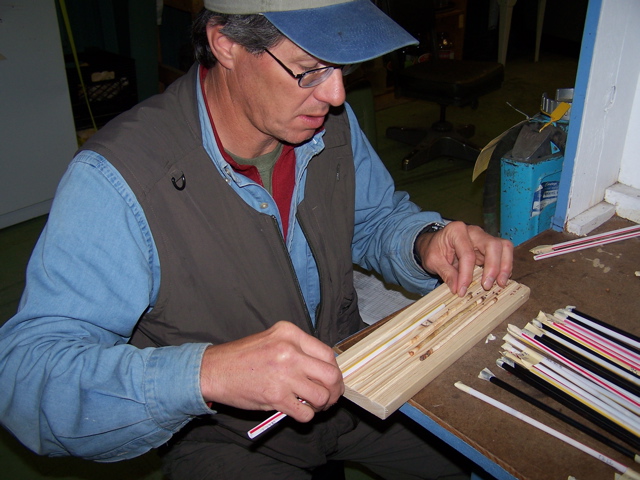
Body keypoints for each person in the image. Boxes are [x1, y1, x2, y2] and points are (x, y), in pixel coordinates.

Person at [0, 1, 513, 478]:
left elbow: (372, 218)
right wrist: (208, 374)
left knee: (492, 447)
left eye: (343, 68)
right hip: (225, 431)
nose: (336, 95)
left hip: (350, 373)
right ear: (225, 43)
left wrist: (424, 242)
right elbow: (28, 379)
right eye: (310, 69)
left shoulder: (328, 122)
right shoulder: (119, 181)